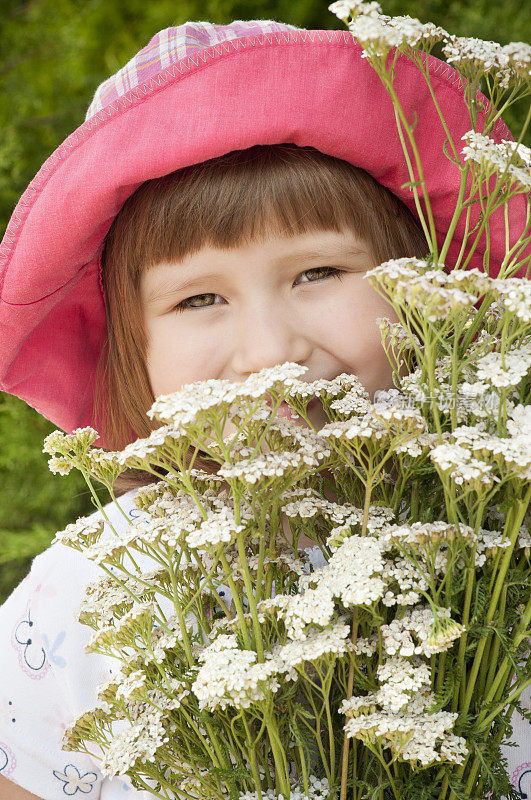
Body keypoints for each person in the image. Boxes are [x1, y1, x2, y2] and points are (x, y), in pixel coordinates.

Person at [0, 18, 528, 800]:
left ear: (428, 292)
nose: (270, 350)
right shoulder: (94, 590)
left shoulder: (503, 539)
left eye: (317, 273)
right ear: (134, 352)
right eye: (198, 298)